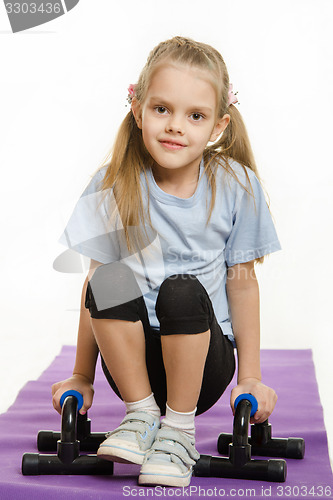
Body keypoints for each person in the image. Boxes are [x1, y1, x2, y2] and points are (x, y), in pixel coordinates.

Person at [52, 36, 281, 488]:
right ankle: (141, 417)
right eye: (162, 110)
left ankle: (178, 429)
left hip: (202, 361)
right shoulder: (115, 183)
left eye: (194, 116)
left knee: (181, 289)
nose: (176, 126)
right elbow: (97, 288)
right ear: (138, 110)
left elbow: (242, 282)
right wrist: (82, 374)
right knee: (108, 277)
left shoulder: (235, 185)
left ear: (218, 126)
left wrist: (250, 376)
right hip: (131, 366)